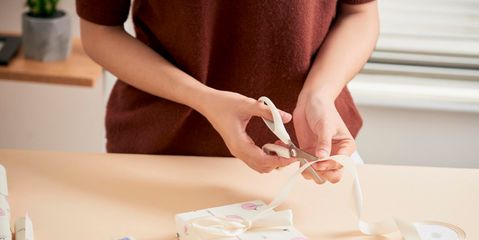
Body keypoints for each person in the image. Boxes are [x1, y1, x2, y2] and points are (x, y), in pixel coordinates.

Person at [77, 0, 379, 183]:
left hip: (311, 159)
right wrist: (202, 98)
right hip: (163, 155)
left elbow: (359, 13)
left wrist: (320, 94)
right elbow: (100, 31)